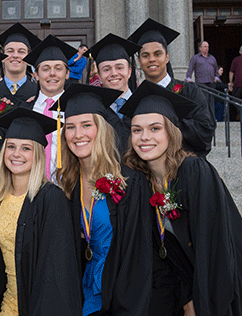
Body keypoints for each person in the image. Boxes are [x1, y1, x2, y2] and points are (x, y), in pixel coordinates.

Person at [121, 80, 242, 315]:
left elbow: (214, 249)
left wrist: (205, 303)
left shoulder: (194, 172)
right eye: (137, 130)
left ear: (172, 131)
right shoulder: (142, 183)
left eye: (155, 128)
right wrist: (187, 299)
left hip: (223, 286)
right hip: (186, 290)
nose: (144, 137)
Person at [53, 83, 153, 315]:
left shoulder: (129, 182)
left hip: (121, 295)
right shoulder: (69, 184)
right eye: (70, 127)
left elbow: (139, 257)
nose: (78, 135)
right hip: (84, 289)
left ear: (102, 129)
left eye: (86, 125)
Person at [0, 107, 81, 315]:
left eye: (26, 148)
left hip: (37, 306)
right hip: (6, 304)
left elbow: (57, 271)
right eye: (11, 147)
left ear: (37, 154)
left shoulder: (51, 199)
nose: (17, 154)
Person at [128, 18, 215, 158]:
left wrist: (167, 124)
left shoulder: (189, 91)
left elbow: (205, 130)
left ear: (167, 57)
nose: (151, 59)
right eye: (145, 55)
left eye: (157, 54)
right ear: (139, 61)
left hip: (185, 168)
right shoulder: (137, 99)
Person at [21, 35, 77, 181]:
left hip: (71, 187)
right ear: (36, 75)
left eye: (58, 68)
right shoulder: (24, 111)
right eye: (46, 69)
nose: (52, 73)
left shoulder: (77, 109)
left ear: (67, 74)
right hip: (31, 188)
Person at [0, 23, 41, 102]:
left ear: (28, 58)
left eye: (21, 52)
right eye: (10, 51)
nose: (15, 55)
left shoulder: (39, 93)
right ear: (2, 58)